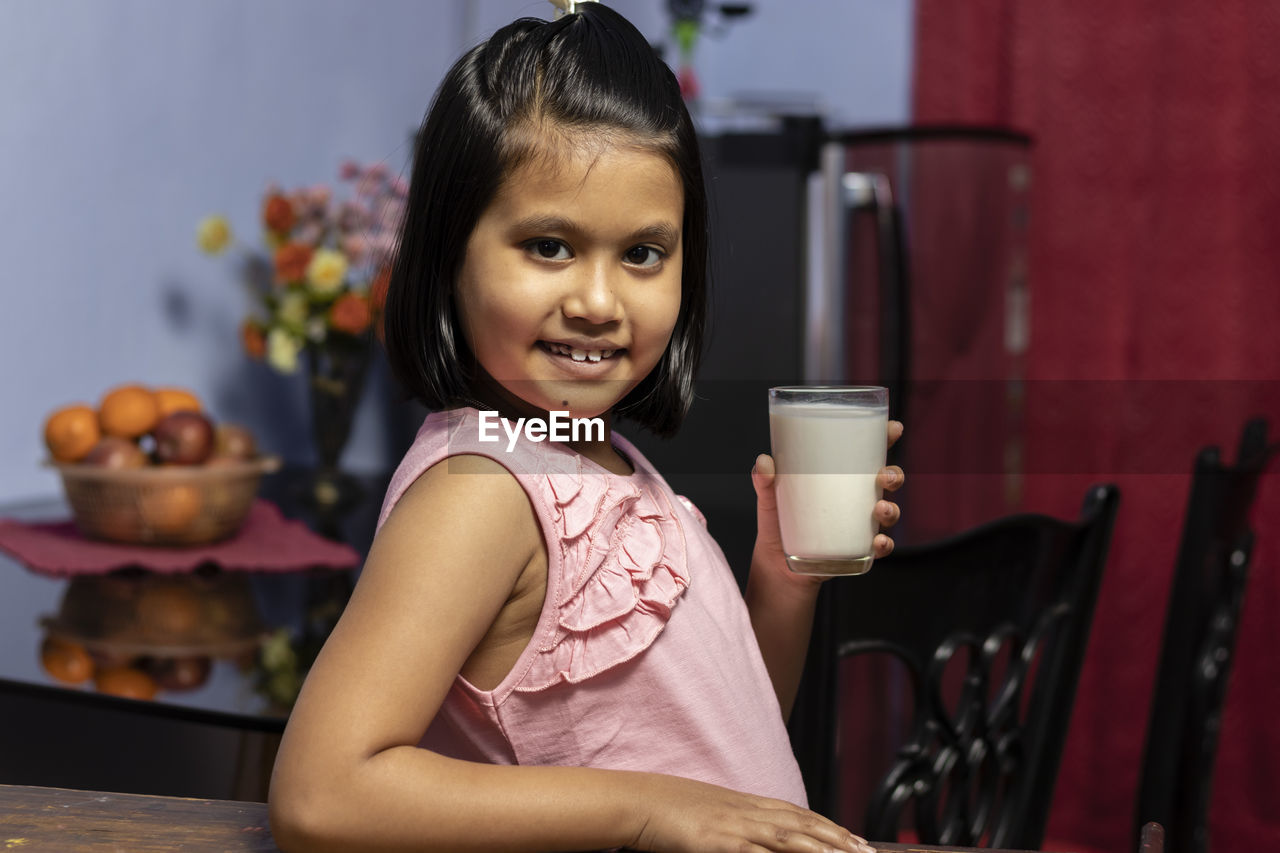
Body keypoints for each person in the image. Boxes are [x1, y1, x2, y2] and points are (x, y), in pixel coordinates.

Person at [268, 4, 904, 851]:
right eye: (549, 246)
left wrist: (782, 580)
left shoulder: (611, 465)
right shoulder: (484, 491)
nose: (599, 303)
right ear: (451, 252)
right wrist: (644, 808)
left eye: (642, 254)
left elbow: (719, 754)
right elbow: (322, 794)